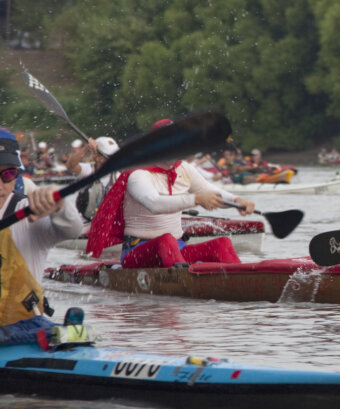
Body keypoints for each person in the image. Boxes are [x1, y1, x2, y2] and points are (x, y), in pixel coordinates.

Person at [86, 119, 256, 268]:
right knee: (165, 240)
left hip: (177, 248)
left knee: (222, 244)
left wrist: (236, 200)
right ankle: (182, 280)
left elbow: (210, 192)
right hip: (137, 253)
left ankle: (244, 280)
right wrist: (195, 199)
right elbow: (154, 203)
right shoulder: (138, 174)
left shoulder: (185, 169)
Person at [1, 127, 83, 324]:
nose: (0, 183)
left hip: (23, 331)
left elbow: (73, 230)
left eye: (8, 174)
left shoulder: (28, 212)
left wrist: (60, 207)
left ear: (16, 177)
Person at [65, 136, 121, 225]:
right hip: (86, 222)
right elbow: (70, 165)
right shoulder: (87, 171)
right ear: (97, 156)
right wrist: (87, 148)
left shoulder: (118, 176)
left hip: (108, 223)